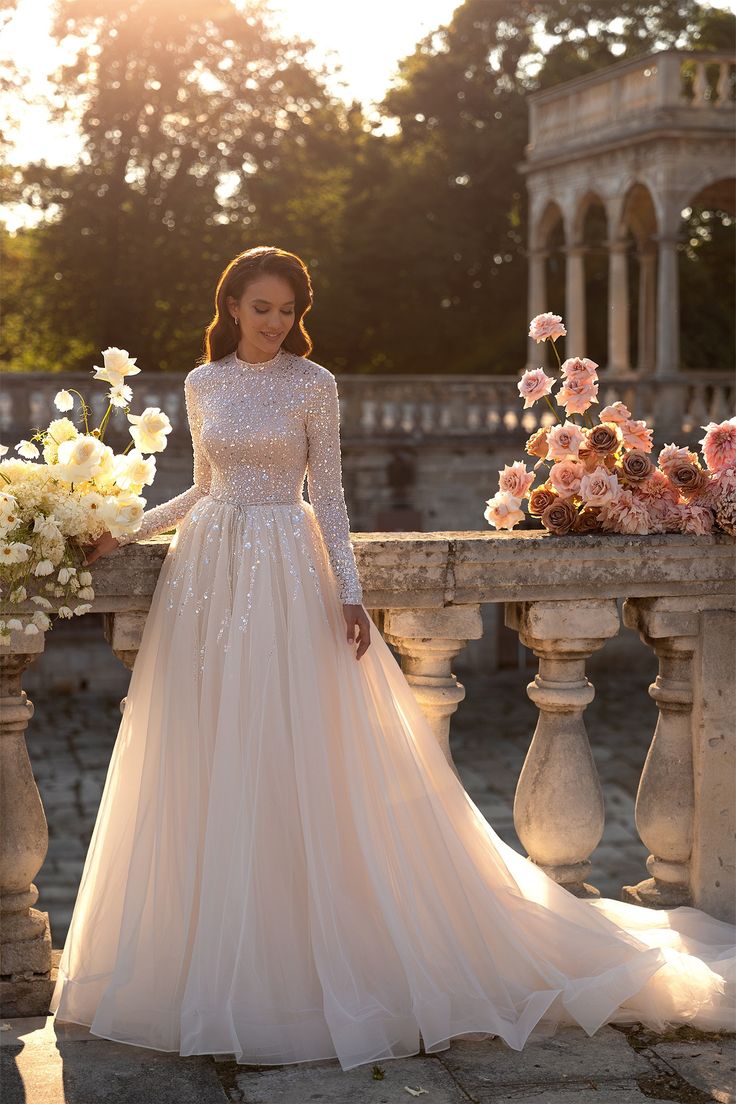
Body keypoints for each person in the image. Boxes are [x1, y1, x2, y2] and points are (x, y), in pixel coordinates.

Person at [50, 246, 735, 1071]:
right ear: (232, 305)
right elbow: (200, 486)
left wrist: (348, 593)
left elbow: (330, 495)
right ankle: (219, 958)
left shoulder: (315, 383)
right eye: (260, 306)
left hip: (287, 570)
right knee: (209, 756)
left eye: (285, 309)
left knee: (305, 757)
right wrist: (115, 530)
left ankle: (310, 957)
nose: (274, 322)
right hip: (210, 579)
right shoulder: (202, 384)